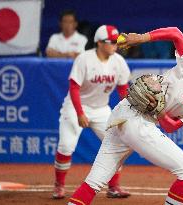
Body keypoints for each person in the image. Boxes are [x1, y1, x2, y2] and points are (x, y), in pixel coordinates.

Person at [67, 27, 183, 205]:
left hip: (138, 122)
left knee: (94, 182)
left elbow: (171, 126)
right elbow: (175, 33)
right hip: (129, 117)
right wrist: (140, 38)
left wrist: (160, 113)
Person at [52, 25, 131, 199]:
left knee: (117, 145)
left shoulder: (118, 61)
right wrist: (80, 113)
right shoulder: (84, 59)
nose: (114, 45)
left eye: (116, 42)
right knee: (66, 146)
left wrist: (127, 112)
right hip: (75, 106)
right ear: (99, 43)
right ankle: (59, 186)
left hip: (102, 109)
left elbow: (123, 90)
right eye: (111, 42)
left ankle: (114, 187)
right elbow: (74, 88)